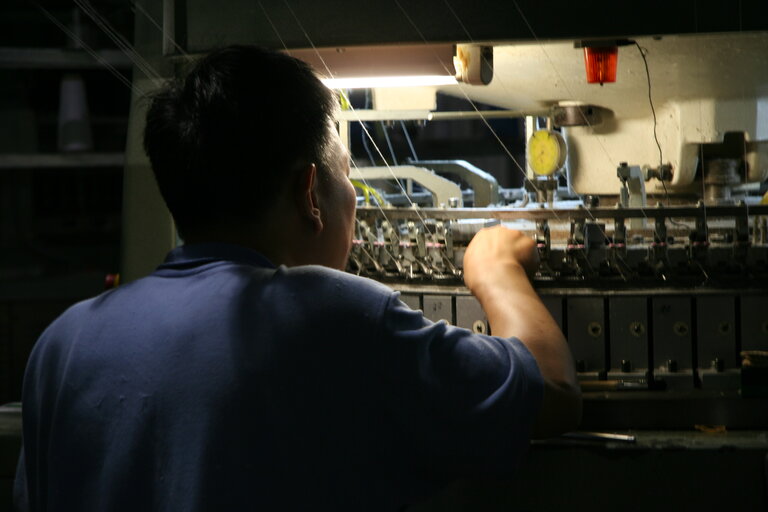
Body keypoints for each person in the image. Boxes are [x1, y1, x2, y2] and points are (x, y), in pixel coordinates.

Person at [16, 45, 580, 511]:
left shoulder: (62, 344)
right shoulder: (333, 314)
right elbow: (551, 393)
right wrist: (495, 268)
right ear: (310, 193)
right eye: (346, 174)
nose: (352, 195)